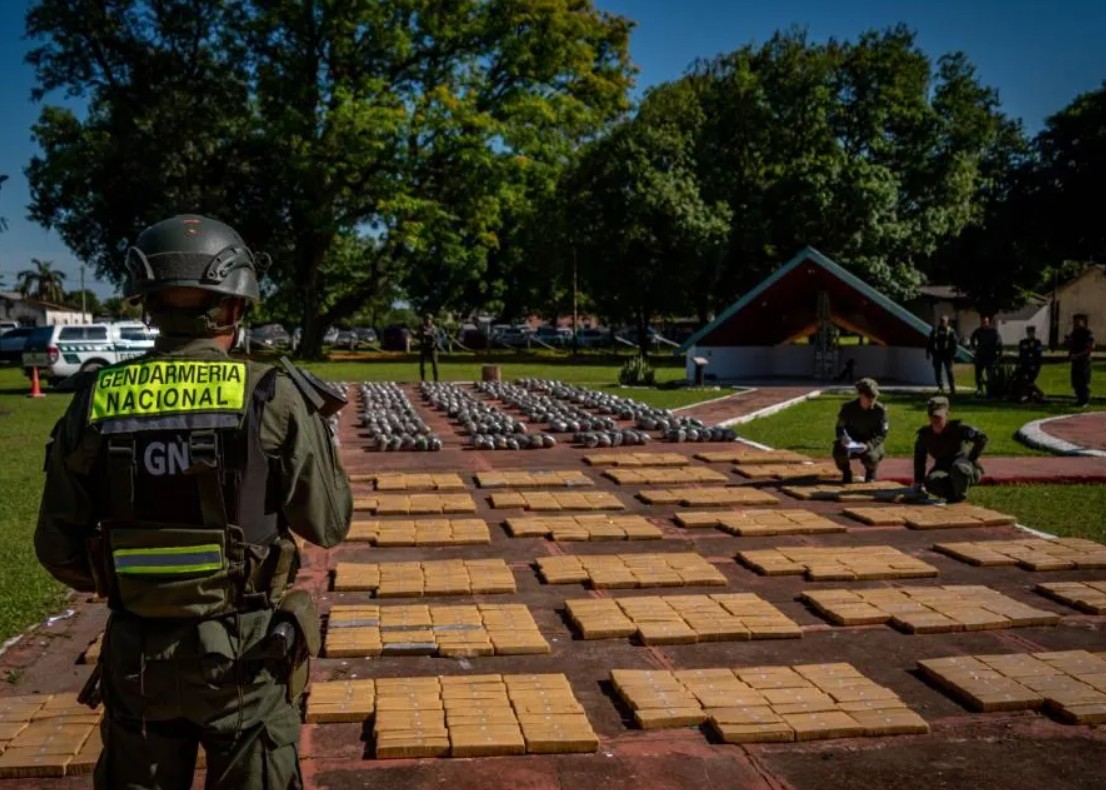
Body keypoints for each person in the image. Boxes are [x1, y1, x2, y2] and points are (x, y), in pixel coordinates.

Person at [35, 214, 352, 789]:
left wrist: (140, 580)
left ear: (148, 305)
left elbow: (56, 547)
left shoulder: (95, 399)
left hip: (136, 661)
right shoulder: (270, 393)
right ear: (234, 306)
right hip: (246, 659)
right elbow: (328, 523)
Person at [913, 396, 988, 502]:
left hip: (965, 466)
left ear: (947, 415)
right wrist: (918, 482)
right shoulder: (925, 435)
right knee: (931, 481)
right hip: (944, 468)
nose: (935, 420)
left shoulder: (959, 428)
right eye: (932, 416)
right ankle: (952, 497)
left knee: (959, 469)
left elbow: (982, 438)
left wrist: (971, 459)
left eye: (938, 417)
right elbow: (919, 458)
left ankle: (960, 495)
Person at [831, 378, 889, 483]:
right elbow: (840, 427)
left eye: (874, 396)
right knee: (839, 450)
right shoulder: (848, 408)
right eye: (868, 396)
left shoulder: (879, 411)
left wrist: (868, 445)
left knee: (871, 457)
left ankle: (870, 474)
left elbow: (882, 433)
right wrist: (843, 438)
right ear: (860, 395)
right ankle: (847, 473)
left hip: (871, 442)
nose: (871, 399)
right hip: (852, 442)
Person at [1066, 314, 1095, 407]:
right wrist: (1070, 354)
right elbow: (1071, 345)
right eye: (1075, 321)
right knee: (1075, 381)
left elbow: (1090, 347)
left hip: (1084, 360)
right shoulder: (1074, 333)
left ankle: (1085, 400)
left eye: (1079, 321)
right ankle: (1079, 399)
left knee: (1083, 381)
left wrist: (1078, 355)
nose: (1077, 323)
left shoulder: (1087, 333)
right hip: (1075, 360)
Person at [969, 316, 1002, 396]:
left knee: (990, 374)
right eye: (983, 322)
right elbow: (972, 339)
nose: (984, 324)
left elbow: (999, 343)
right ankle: (979, 389)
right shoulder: (978, 331)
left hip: (990, 356)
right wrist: (974, 348)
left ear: (988, 323)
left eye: (985, 322)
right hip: (980, 356)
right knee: (978, 374)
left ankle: (990, 390)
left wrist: (999, 353)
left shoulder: (993, 331)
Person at [926, 316, 959, 394]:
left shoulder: (951, 331)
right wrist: (928, 352)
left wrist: (954, 353)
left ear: (947, 322)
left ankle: (952, 388)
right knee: (938, 371)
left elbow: (955, 343)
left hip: (947, 355)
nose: (942, 322)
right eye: (941, 321)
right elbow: (930, 342)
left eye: (944, 321)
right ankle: (940, 387)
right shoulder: (935, 330)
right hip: (937, 354)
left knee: (949, 371)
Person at [1013, 325, 1045, 403]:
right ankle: (1028, 395)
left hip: (1034, 366)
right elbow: (1022, 355)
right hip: (1024, 365)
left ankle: (1038, 395)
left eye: (1032, 332)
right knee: (1022, 380)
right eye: (1029, 332)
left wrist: (1034, 365)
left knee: (1028, 381)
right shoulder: (1023, 342)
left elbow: (1038, 355)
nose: (1030, 334)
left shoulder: (1037, 343)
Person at [419, 314, 439, 382]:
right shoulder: (422, 327)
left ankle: (436, 379)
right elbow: (420, 335)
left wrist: (429, 334)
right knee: (422, 364)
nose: (427, 321)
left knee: (435, 364)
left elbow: (435, 336)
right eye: (426, 319)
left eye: (429, 319)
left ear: (431, 320)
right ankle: (423, 379)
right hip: (424, 347)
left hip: (432, 347)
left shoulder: (434, 328)